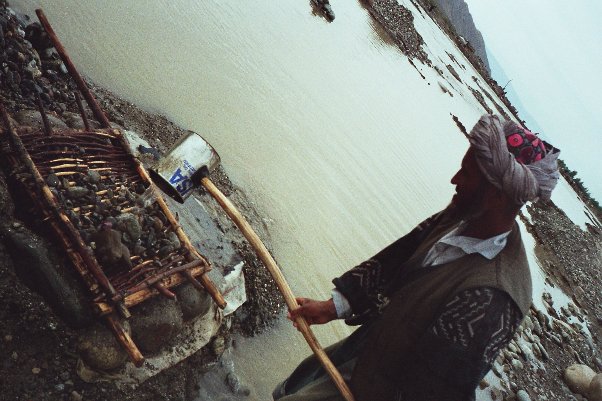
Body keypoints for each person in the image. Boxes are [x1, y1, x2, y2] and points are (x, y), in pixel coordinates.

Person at [273, 114, 560, 401]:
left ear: (497, 195)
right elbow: (397, 259)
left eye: (467, 175)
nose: (454, 180)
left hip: (380, 388)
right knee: (295, 383)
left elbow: (438, 389)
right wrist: (333, 307)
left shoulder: (493, 297)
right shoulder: (463, 215)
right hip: (370, 346)